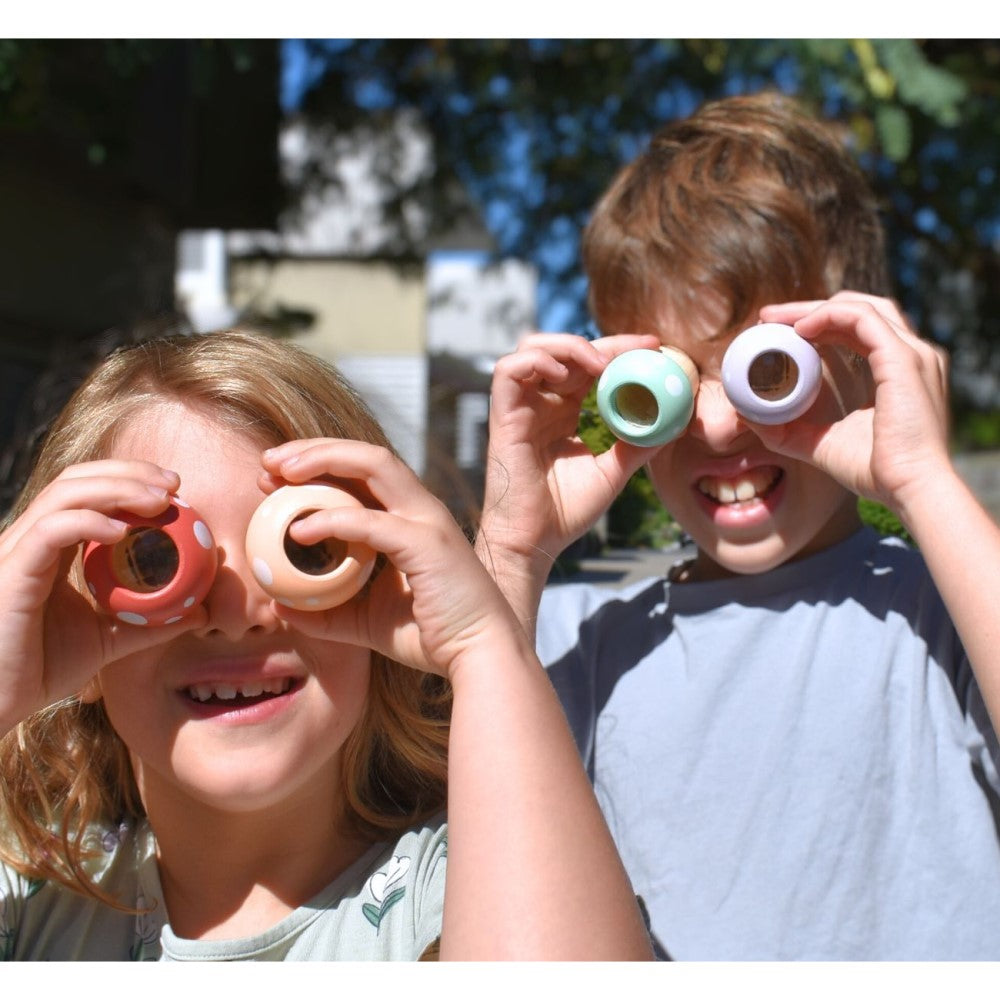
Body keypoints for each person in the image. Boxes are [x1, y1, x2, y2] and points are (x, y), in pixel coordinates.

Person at [476, 93, 1000, 960]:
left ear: (865, 362)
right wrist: (511, 548)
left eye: (766, 373)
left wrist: (926, 483)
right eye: (667, 386)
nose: (719, 428)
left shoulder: (942, 608)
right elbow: (426, 811)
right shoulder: (566, 642)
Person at [0, 328, 653, 961]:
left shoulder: (472, 889)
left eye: (305, 547)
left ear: (381, 583)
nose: (234, 617)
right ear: (66, 614)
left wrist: (482, 648)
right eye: (150, 560)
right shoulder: (25, 903)